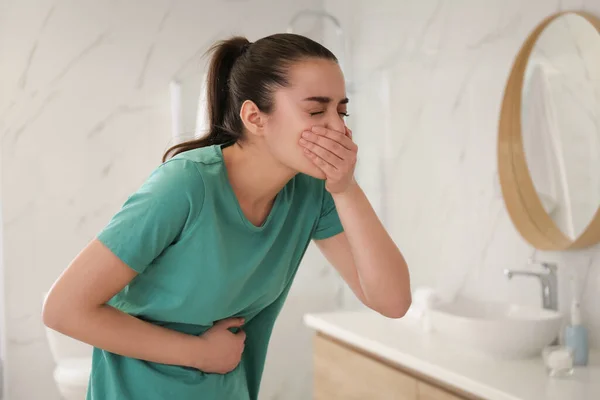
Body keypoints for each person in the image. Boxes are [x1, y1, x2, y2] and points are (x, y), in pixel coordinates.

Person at [42, 33, 411, 400]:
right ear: (254, 117)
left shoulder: (313, 192)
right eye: (316, 111)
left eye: (341, 111)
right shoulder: (186, 185)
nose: (338, 128)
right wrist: (199, 354)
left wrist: (346, 189)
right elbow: (64, 310)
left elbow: (392, 302)